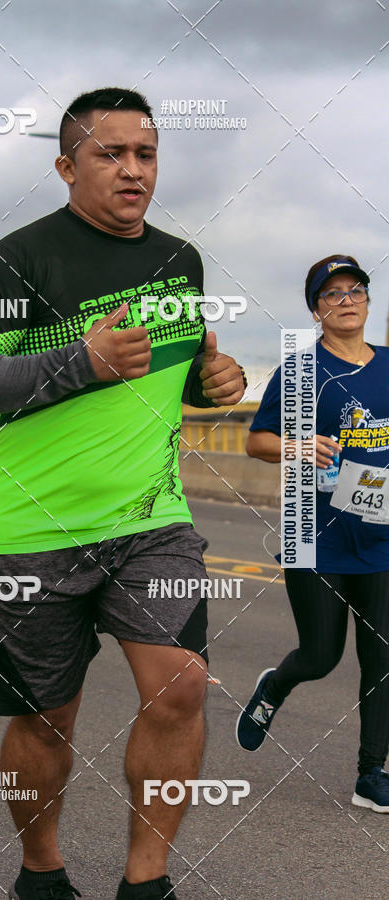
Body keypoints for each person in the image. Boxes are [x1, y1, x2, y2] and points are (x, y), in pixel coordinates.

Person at [0, 87, 245, 899]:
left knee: (179, 687)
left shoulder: (182, 260)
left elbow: (166, 378)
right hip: (34, 526)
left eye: (145, 155)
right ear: (68, 165)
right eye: (111, 154)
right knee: (46, 719)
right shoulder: (21, 258)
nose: (132, 170)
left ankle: (147, 882)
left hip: (151, 519)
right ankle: (42, 873)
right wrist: (79, 362)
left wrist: (214, 384)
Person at [236, 255, 389, 813]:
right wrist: (298, 447)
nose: (345, 300)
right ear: (316, 310)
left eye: (355, 290)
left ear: (368, 301)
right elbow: (256, 442)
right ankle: (275, 686)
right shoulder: (301, 373)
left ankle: (371, 774)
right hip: (316, 535)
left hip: (381, 535)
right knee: (322, 655)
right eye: (332, 294)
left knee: (383, 659)